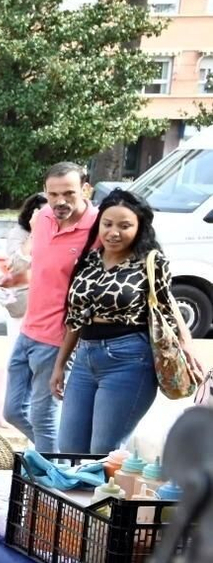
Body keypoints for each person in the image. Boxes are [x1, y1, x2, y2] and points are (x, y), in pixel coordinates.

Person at [51, 189, 203, 453]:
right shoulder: (89, 261)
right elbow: (75, 318)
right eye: (107, 224)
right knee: (69, 449)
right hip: (84, 360)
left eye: (125, 226)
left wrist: (186, 344)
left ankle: (106, 496)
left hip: (129, 359)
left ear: (140, 227)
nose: (113, 232)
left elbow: (167, 308)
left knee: (103, 452)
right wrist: (60, 364)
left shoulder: (150, 263)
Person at [4, 163, 96, 453]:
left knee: (43, 418)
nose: (60, 201)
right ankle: (62, 457)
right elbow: (44, 269)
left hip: (58, 338)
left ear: (85, 189)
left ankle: (50, 484)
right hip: (27, 330)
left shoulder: (97, 229)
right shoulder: (42, 217)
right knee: (12, 411)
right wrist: (13, 279)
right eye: (53, 194)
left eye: (69, 193)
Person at [0, 192, 47, 322]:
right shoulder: (20, 234)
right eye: (45, 215)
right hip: (23, 305)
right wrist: (35, 232)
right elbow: (16, 266)